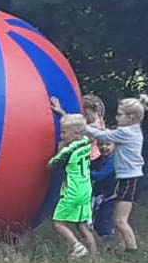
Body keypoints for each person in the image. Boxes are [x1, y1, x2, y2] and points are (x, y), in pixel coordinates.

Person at [56, 93, 147, 252]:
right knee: (118, 219)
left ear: (131, 117)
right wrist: (66, 115)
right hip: (128, 179)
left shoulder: (126, 133)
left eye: (119, 114)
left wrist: (75, 125)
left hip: (130, 180)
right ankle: (127, 248)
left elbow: (100, 134)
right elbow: (103, 132)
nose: (116, 117)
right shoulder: (132, 130)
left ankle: (132, 251)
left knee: (120, 220)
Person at [48, 113, 97, 259]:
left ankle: (77, 247)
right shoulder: (86, 142)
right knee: (82, 224)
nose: (61, 136)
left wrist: (60, 148)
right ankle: (94, 255)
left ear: (76, 134)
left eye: (64, 132)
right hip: (86, 189)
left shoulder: (69, 150)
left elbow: (52, 165)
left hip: (72, 191)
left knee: (58, 223)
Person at [91, 138, 118, 241]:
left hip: (111, 195)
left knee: (106, 218)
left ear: (114, 146)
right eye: (101, 144)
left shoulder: (115, 161)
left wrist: (84, 172)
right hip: (99, 193)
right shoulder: (98, 160)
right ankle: (100, 240)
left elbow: (100, 175)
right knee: (97, 218)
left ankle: (110, 241)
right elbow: (90, 164)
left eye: (107, 144)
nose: (104, 147)